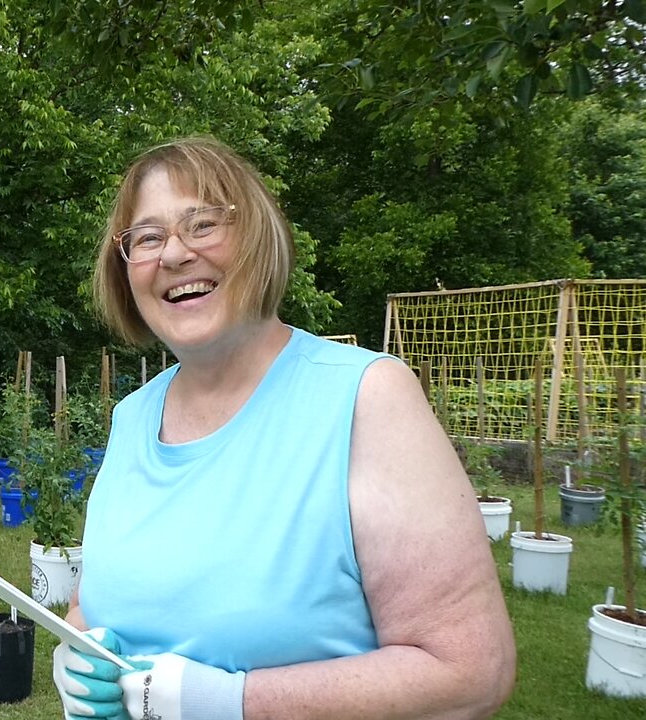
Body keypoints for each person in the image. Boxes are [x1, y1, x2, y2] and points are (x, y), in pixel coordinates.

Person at [51, 136, 515, 720]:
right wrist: (77, 649)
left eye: (201, 224)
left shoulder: (366, 397)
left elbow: (469, 673)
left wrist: (231, 702)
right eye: (147, 238)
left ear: (256, 240)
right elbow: (102, 597)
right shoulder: (131, 417)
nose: (173, 254)